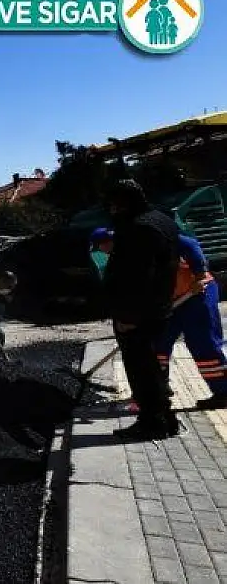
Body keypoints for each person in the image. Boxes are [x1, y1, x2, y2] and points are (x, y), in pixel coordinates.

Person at [92, 228, 227, 410]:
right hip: (170, 302)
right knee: (157, 344)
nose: (104, 252)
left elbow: (190, 245)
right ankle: (159, 389)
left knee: (203, 342)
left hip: (196, 293)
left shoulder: (148, 240)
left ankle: (223, 393)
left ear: (109, 242)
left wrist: (200, 273)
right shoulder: (121, 261)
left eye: (103, 247)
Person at [102, 179, 182, 440]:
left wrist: (128, 317)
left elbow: (136, 277)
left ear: (123, 203)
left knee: (141, 369)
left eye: (113, 204)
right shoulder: (162, 220)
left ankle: (151, 422)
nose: (111, 210)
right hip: (159, 306)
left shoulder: (137, 228)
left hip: (139, 314)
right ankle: (166, 418)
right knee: (151, 367)